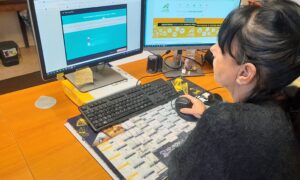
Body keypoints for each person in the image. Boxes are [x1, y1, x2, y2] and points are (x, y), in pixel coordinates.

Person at [168, 0, 300, 179]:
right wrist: (210, 115)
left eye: (222, 47)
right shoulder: (289, 100)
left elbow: (178, 173)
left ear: (245, 72)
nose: (213, 49)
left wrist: (216, 124)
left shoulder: (226, 123)